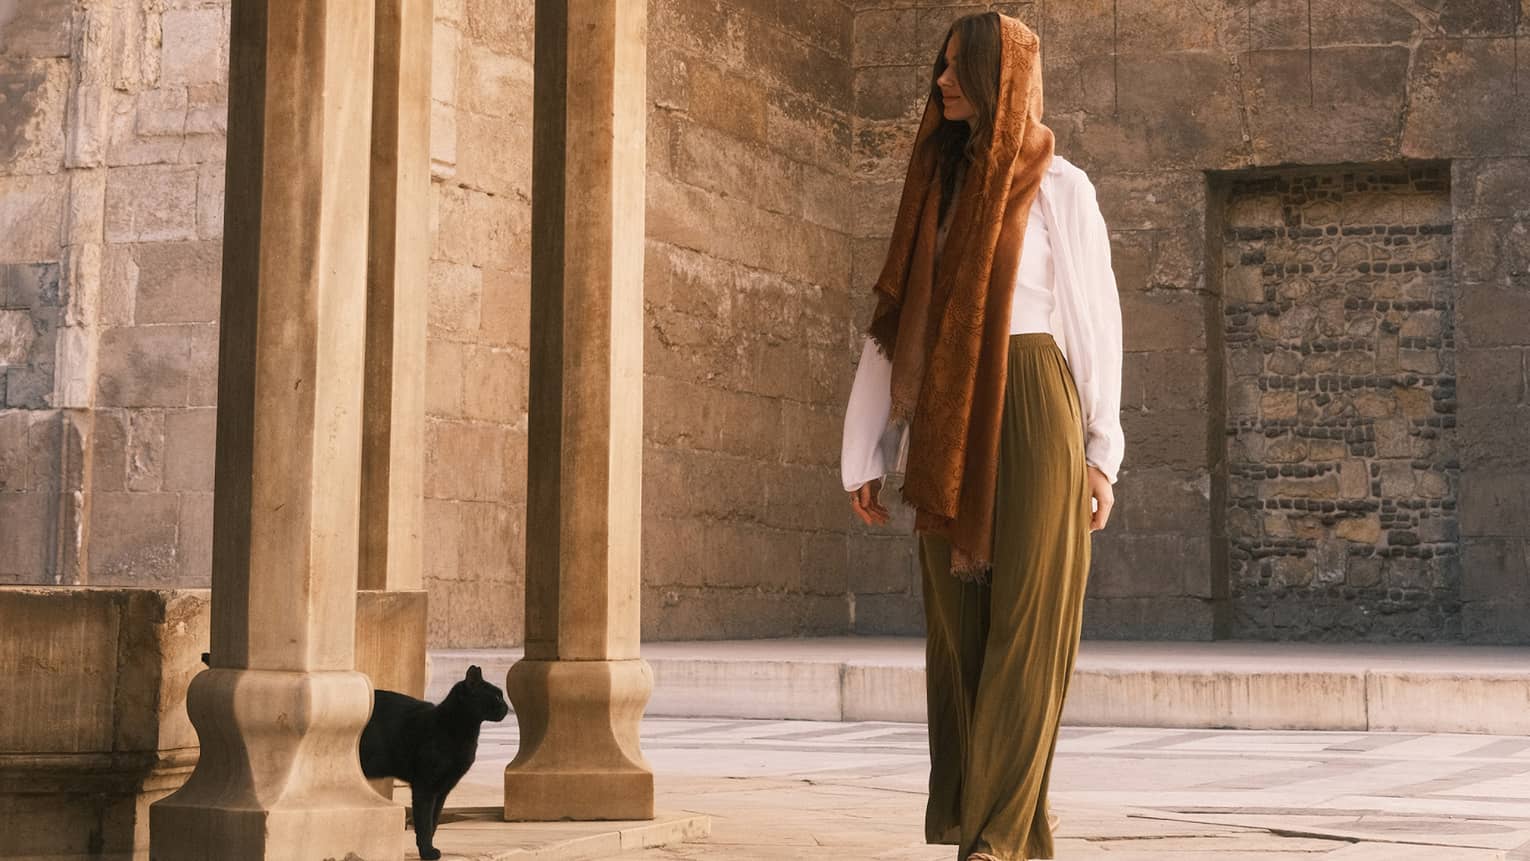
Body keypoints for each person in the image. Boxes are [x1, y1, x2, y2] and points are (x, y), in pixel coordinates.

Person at [839, 11, 1125, 861]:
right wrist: (867, 448)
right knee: (958, 624)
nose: (940, 83)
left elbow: (1094, 323)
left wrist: (1100, 454)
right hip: (945, 421)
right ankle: (994, 816)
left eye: (959, 68)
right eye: (940, 69)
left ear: (1003, 76)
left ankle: (995, 839)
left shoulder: (1061, 187)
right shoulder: (935, 186)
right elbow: (896, 323)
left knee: (1027, 622)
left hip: (1037, 402)